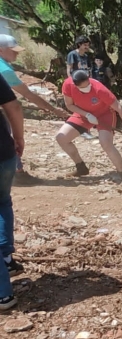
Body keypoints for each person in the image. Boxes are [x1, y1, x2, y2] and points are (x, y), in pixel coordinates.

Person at [0, 35, 69, 186]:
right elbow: (26, 95)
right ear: (1, 50)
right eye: (13, 51)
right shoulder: (4, 70)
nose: (17, 54)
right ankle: (17, 173)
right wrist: (53, 110)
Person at [55, 70, 122, 185]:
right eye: (83, 88)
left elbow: (119, 108)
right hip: (83, 114)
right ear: (75, 85)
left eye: (88, 85)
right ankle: (81, 167)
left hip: (104, 114)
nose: (87, 88)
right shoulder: (68, 85)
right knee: (61, 138)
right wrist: (87, 114)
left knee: (106, 143)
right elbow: (69, 105)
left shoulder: (99, 89)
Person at [0, 73, 26, 309]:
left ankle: (3, 294)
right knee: (2, 202)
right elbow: (14, 106)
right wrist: (18, 137)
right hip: (3, 153)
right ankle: (6, 257)